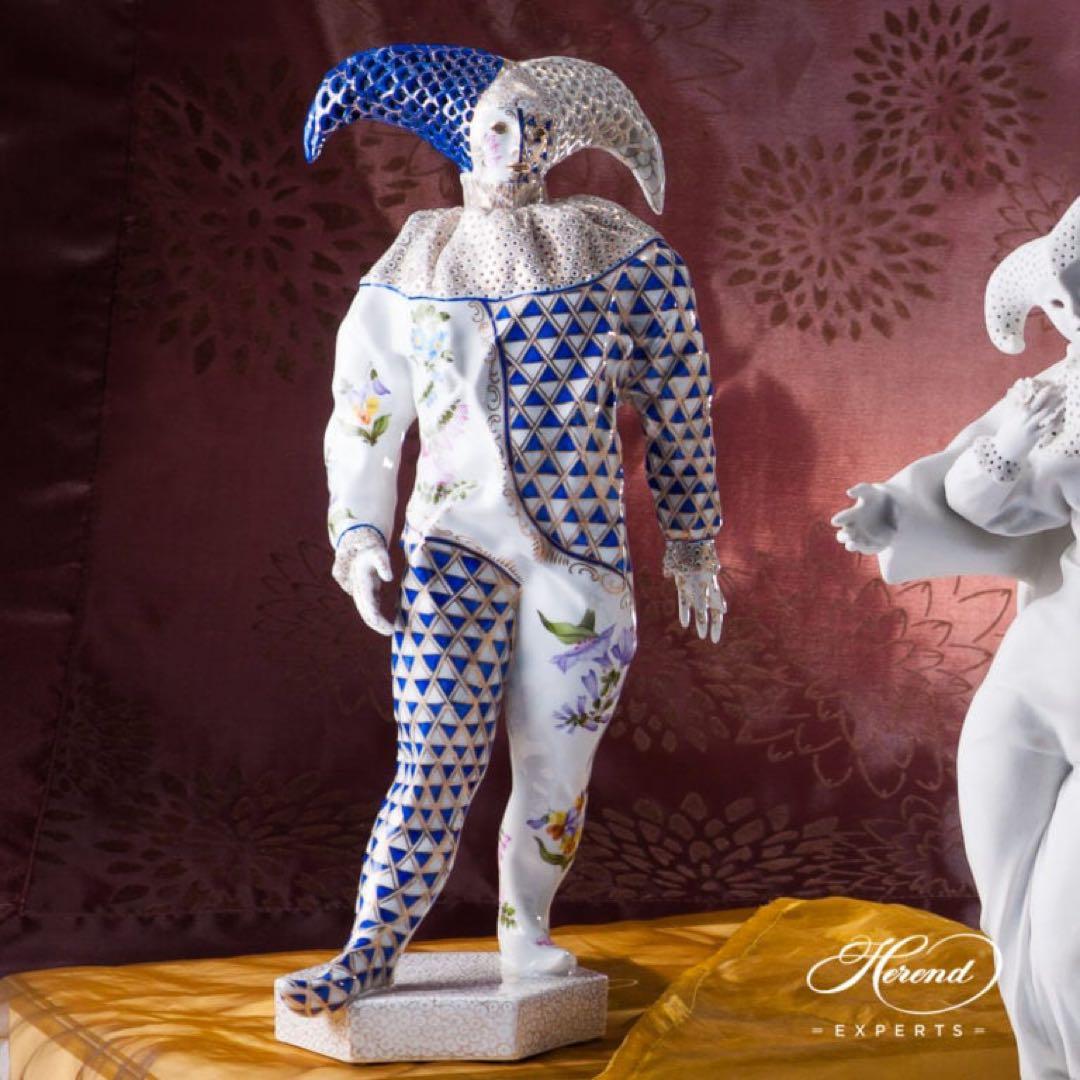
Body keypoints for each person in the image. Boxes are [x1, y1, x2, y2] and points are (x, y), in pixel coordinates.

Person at [278, 44, 727, 1016]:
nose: (515, 145)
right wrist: (359, 535)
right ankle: (371, 947)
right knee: (433, 758)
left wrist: (693, 540)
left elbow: (680, 402)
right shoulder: (416, 259)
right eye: (497, 125)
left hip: (584, 560)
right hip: (454, 549)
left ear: (562, 142)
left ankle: (527, 935)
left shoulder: (617, 252)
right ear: (461, 132)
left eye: (537, 129)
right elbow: (366, 410)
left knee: (556, 771)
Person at [832, 198, 1080, 1078]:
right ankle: (1041, 1066)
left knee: (1067, 932)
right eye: (1062, 297)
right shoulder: (1056, 392)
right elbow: (973, 489)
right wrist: (892, 509)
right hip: (1038, 668)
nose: (1074, 313)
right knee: (1007, 895)